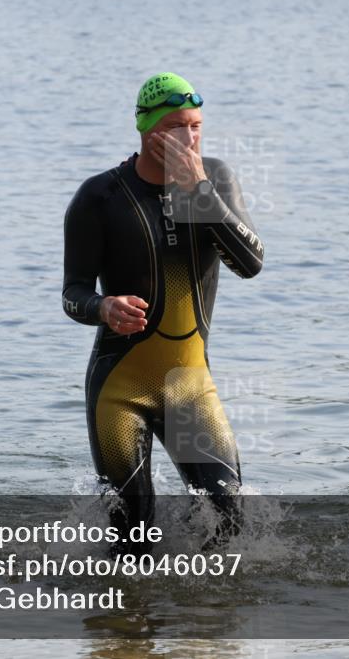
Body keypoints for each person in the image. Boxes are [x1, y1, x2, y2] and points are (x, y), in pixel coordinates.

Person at [61, 72, 264, 553]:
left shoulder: (215, 180)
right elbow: (72, 293)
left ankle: (197, 597)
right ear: (146, 129)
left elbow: (250, 264)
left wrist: (199, 191)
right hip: (120, 390)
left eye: (196, 126)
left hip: (190, 386)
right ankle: (126, 601)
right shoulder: (100, 197)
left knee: (228, 516)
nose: (188, 139)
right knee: (132, 533)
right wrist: (103, 306)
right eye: (176, 128)